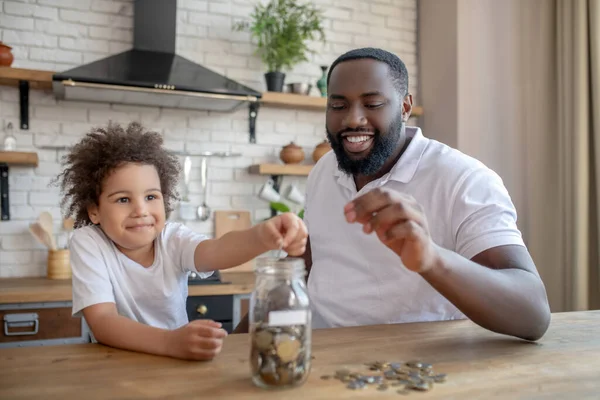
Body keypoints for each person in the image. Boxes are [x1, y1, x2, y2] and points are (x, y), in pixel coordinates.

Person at [235, 47, 551, 341]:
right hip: (322, 355)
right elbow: (306, 261)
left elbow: (533, 314)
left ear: (405, 107)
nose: (352, 119)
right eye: (338, 105)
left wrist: (433, 259)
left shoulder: (464, 179)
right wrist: (234, 341)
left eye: (372, 104)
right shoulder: (324, 170)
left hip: (416, 367)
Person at [55, 122, 307, 360]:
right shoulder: (88, 241)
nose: (141, 210)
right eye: (123, 199)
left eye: (151, 197)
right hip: (114, 361)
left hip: (175, 359)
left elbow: (216, 251)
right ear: (94, 210)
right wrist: (169, 342)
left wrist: (262, 236)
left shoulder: (172, 238)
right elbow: (103, 321)